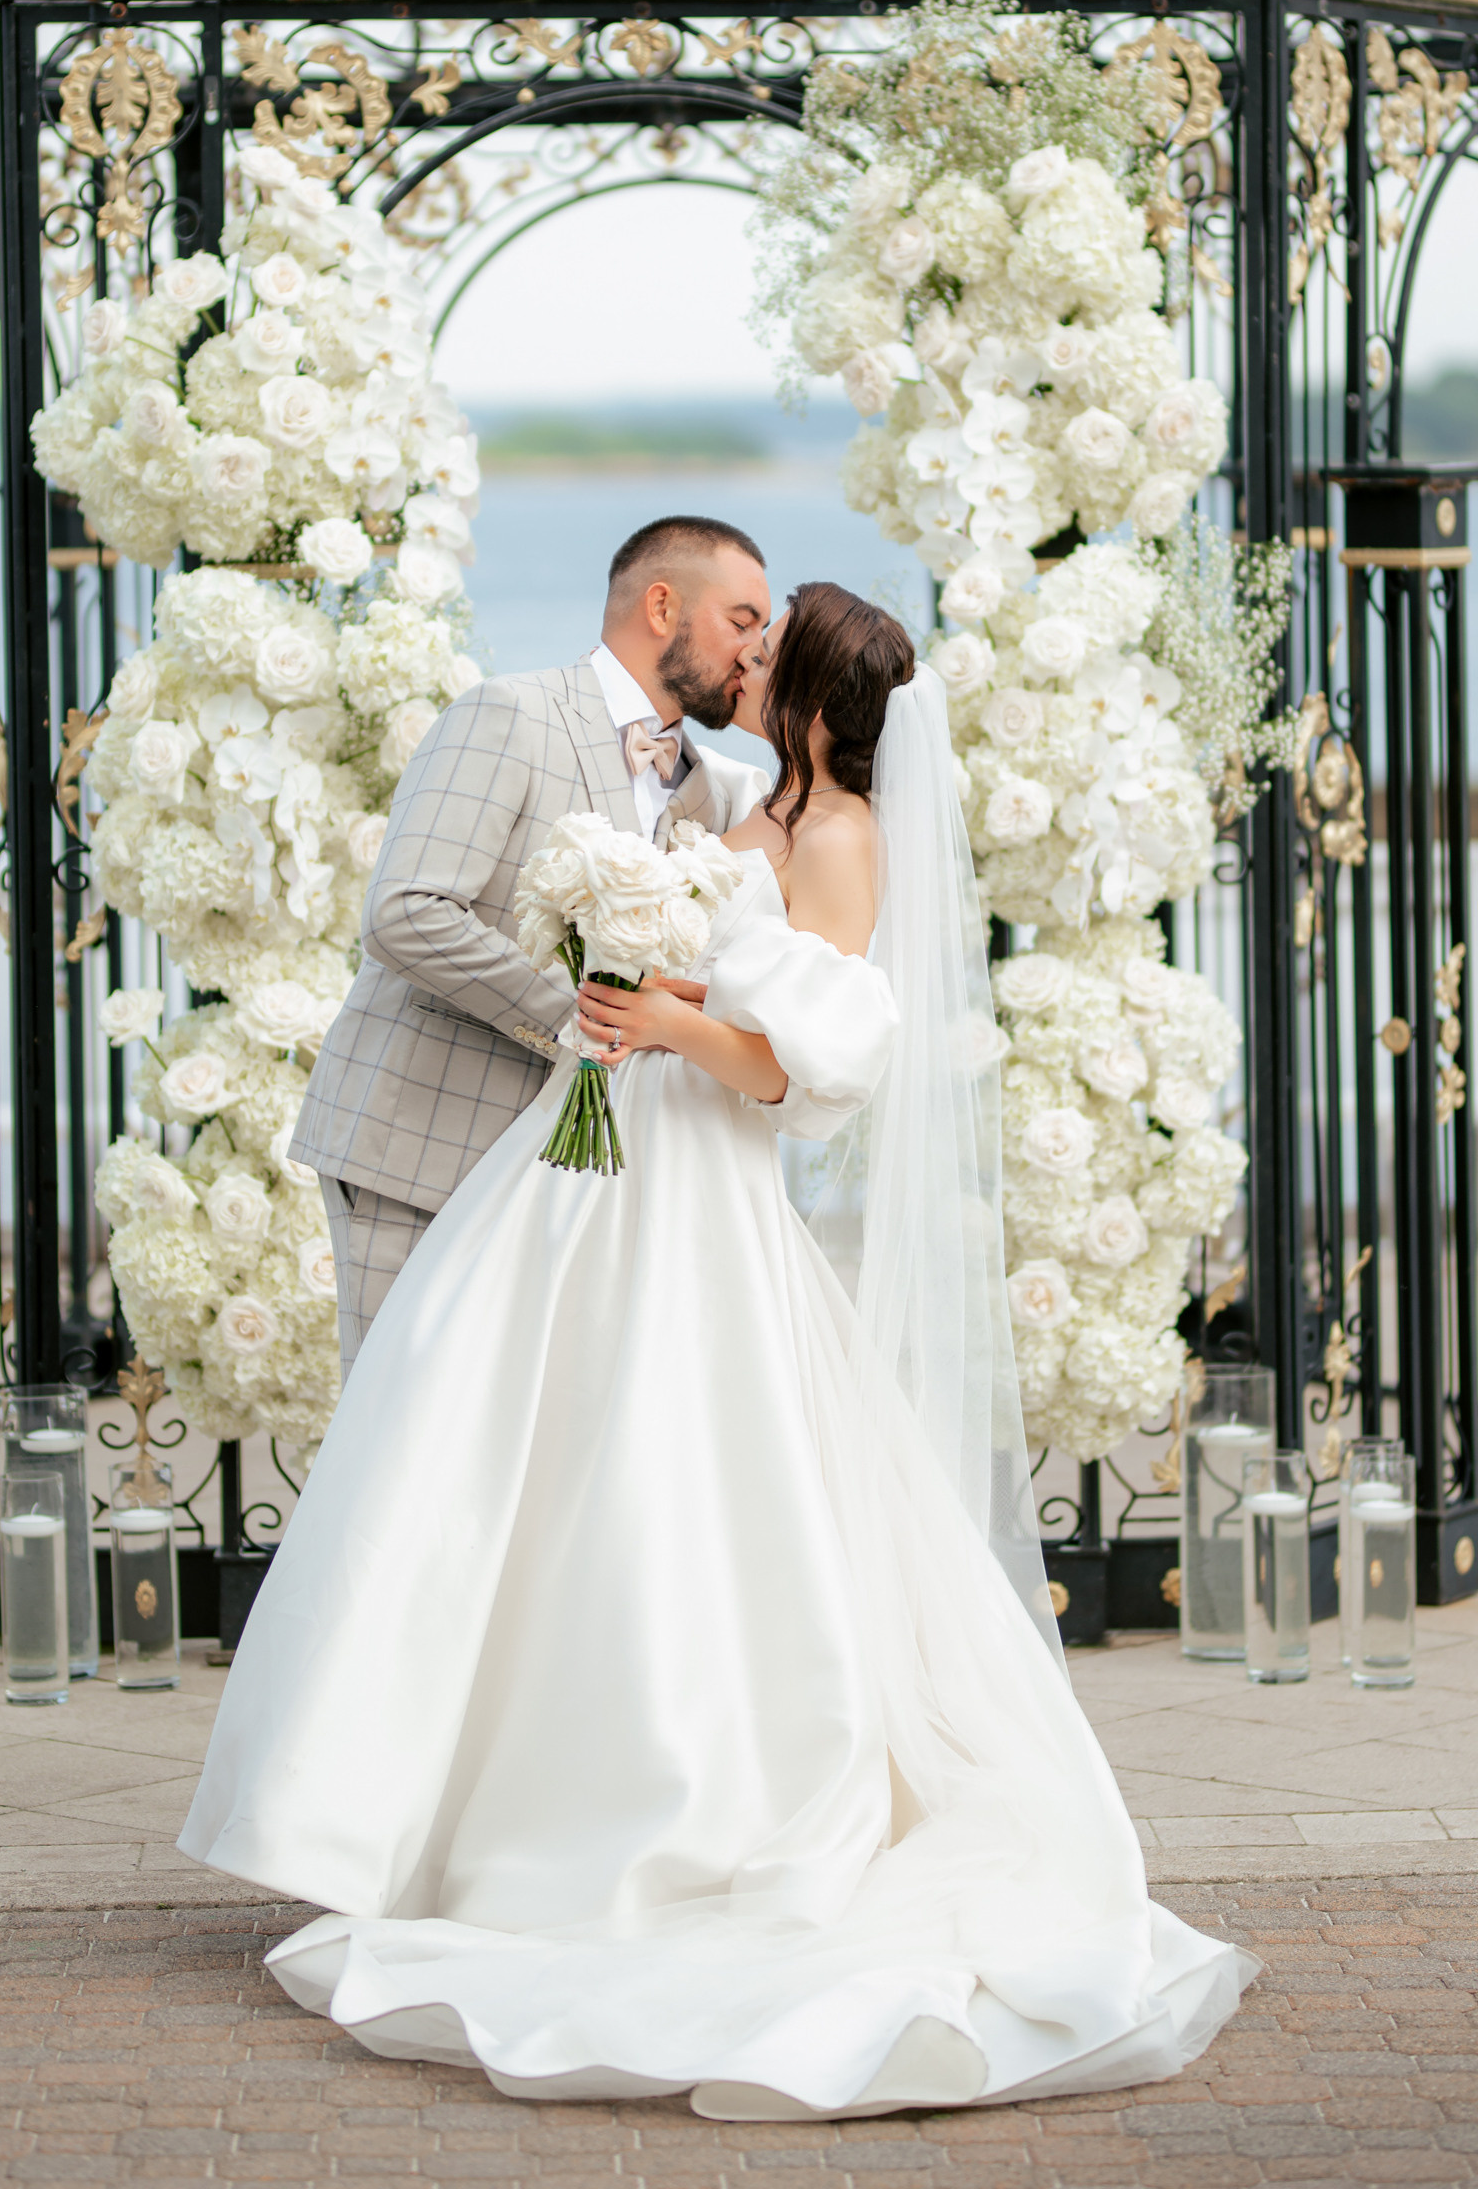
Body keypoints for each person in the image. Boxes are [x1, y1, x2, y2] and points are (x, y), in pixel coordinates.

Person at [181, 581, 1254, 2119]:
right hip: (592, 1165)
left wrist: (653, 1013)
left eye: (768, 650)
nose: (743, 665)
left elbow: (788, 1072)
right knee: (497, 1447)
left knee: (670, 1478)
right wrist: (634, 978)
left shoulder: (838, 839)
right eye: (739, 637)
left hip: (694, 1184)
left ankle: (647, 1814)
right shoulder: (758, 800)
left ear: (812, 692)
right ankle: (443, 1810)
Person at [288, 515, 773, 1383]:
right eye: (742, 620)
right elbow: (405, 912)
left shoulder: (704, 790)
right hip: (423, 1149)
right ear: (662, 605)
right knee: (398, 1437)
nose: (754, 650)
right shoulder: (508, 714)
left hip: (563, 1183)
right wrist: (580, 1017)